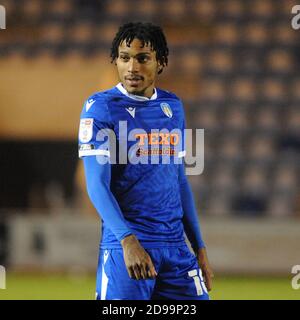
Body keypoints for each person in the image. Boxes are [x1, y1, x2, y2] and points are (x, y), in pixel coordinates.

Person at [78, 22, 213, 300]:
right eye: (124, 58)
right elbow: (97, 186)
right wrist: (127, 241)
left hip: (176, 250)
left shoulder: (172, 106)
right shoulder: (101, 107)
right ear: (115, 60)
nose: (132, 68)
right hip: (128, 247)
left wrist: (198, 246)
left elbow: (179, 180)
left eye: (142, 58)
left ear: (160, 62)